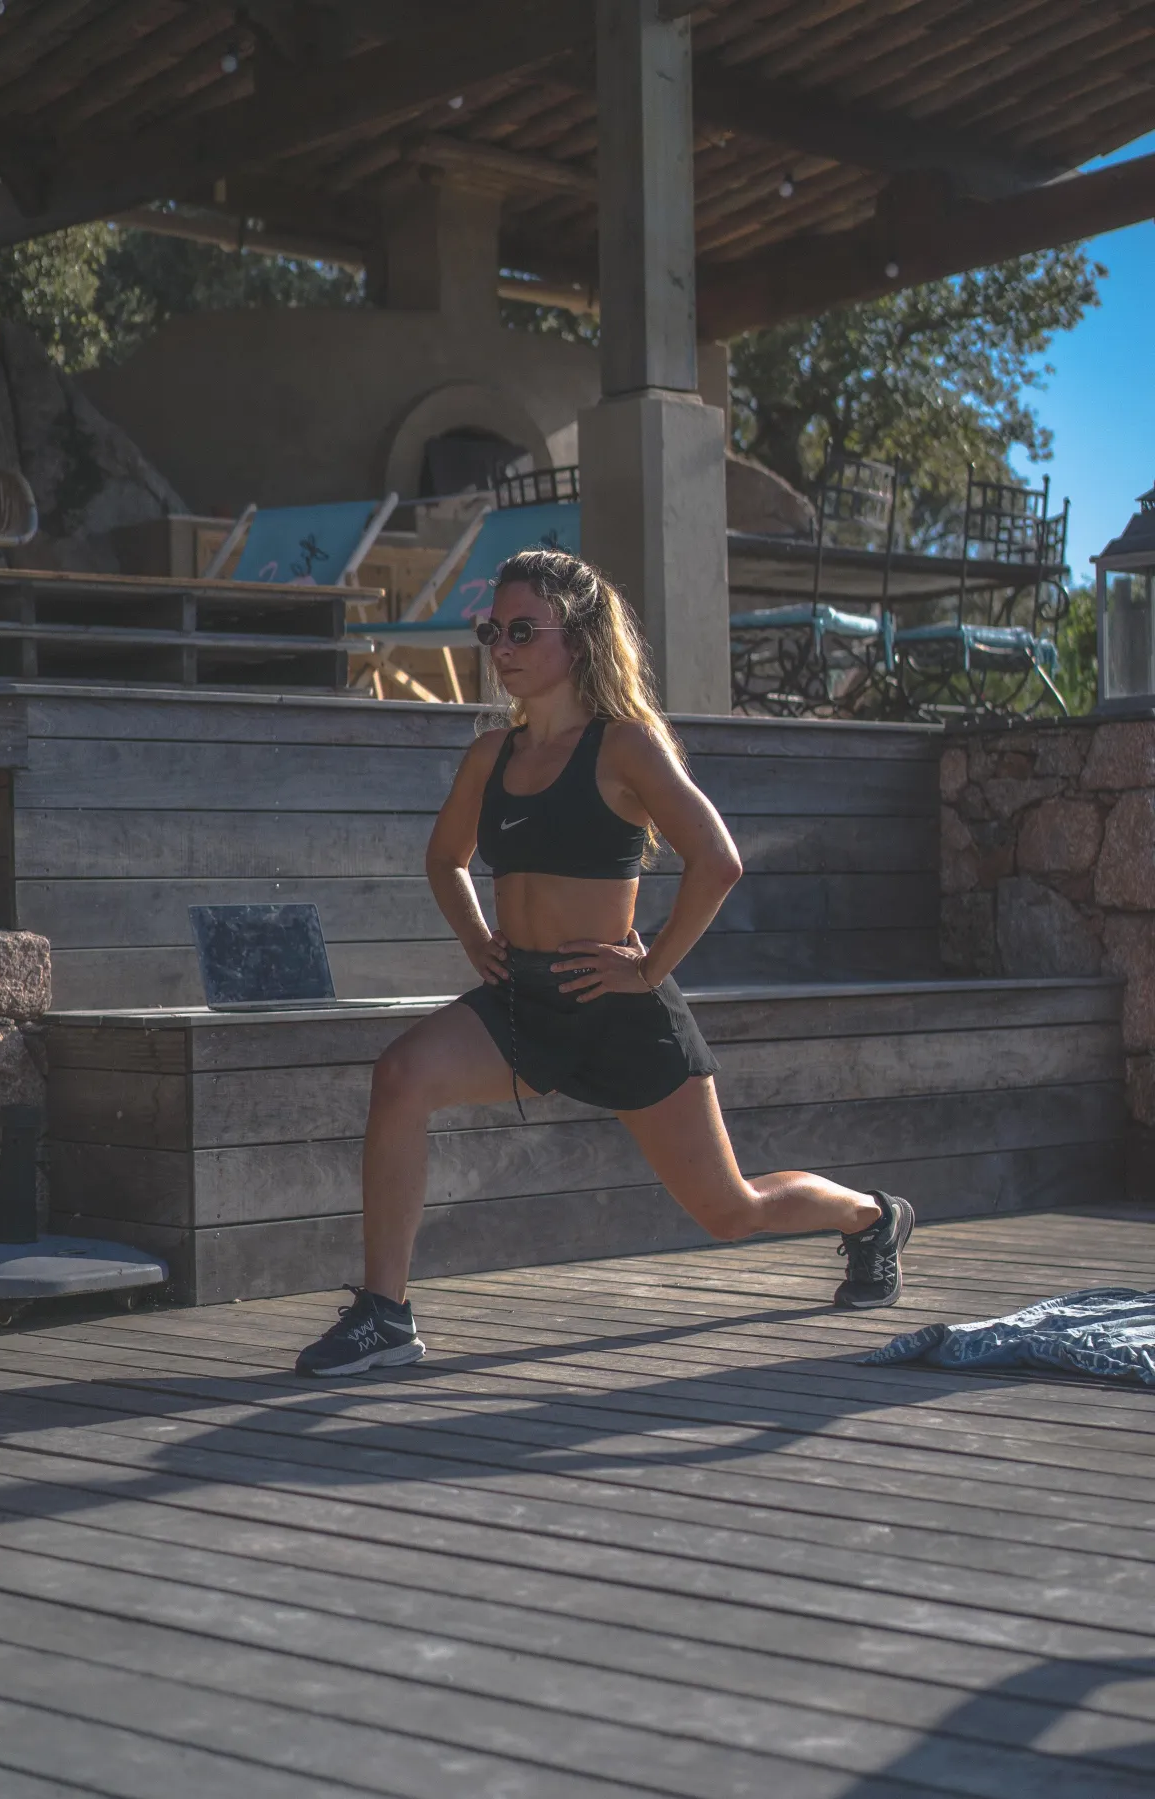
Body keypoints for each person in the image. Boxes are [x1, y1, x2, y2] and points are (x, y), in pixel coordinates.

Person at [295, 549, 913, 1378]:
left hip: (619, 1008)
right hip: (524, 1001)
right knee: (401, 1074)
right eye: (493, 629)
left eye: (523, 630)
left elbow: (718, 860)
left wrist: (651, 969)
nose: (502, 646)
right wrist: (477, 937)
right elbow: (445, 860)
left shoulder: (624, 747)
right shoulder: (490, 756)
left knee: (731, 1211)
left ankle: (871, 1218)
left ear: (577, 640)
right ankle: (385, 1314)